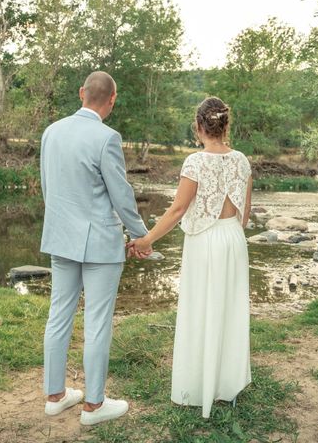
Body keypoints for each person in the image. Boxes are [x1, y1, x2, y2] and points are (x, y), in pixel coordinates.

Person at [127, 96, 252, 418]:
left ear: (198, 127)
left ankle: (197, 387)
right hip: (233, 239)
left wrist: (146, 239)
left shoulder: (195, 162)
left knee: (201, 309)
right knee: (228, 310)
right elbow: (245, 215)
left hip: (205, 242)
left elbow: (179, 209)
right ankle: (225, 386)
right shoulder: (242, 161)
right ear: (225, 126)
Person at [40, 71, 152, 426]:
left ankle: (55, 396)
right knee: (97, 321)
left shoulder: (51, 131)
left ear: (81, 93)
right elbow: (121, 195)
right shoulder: (107, 138)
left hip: (60, 237)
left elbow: (48, 187)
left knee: (59, 315)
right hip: (100, 244)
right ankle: (93, 405)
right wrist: (141, 235)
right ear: (112, 100)